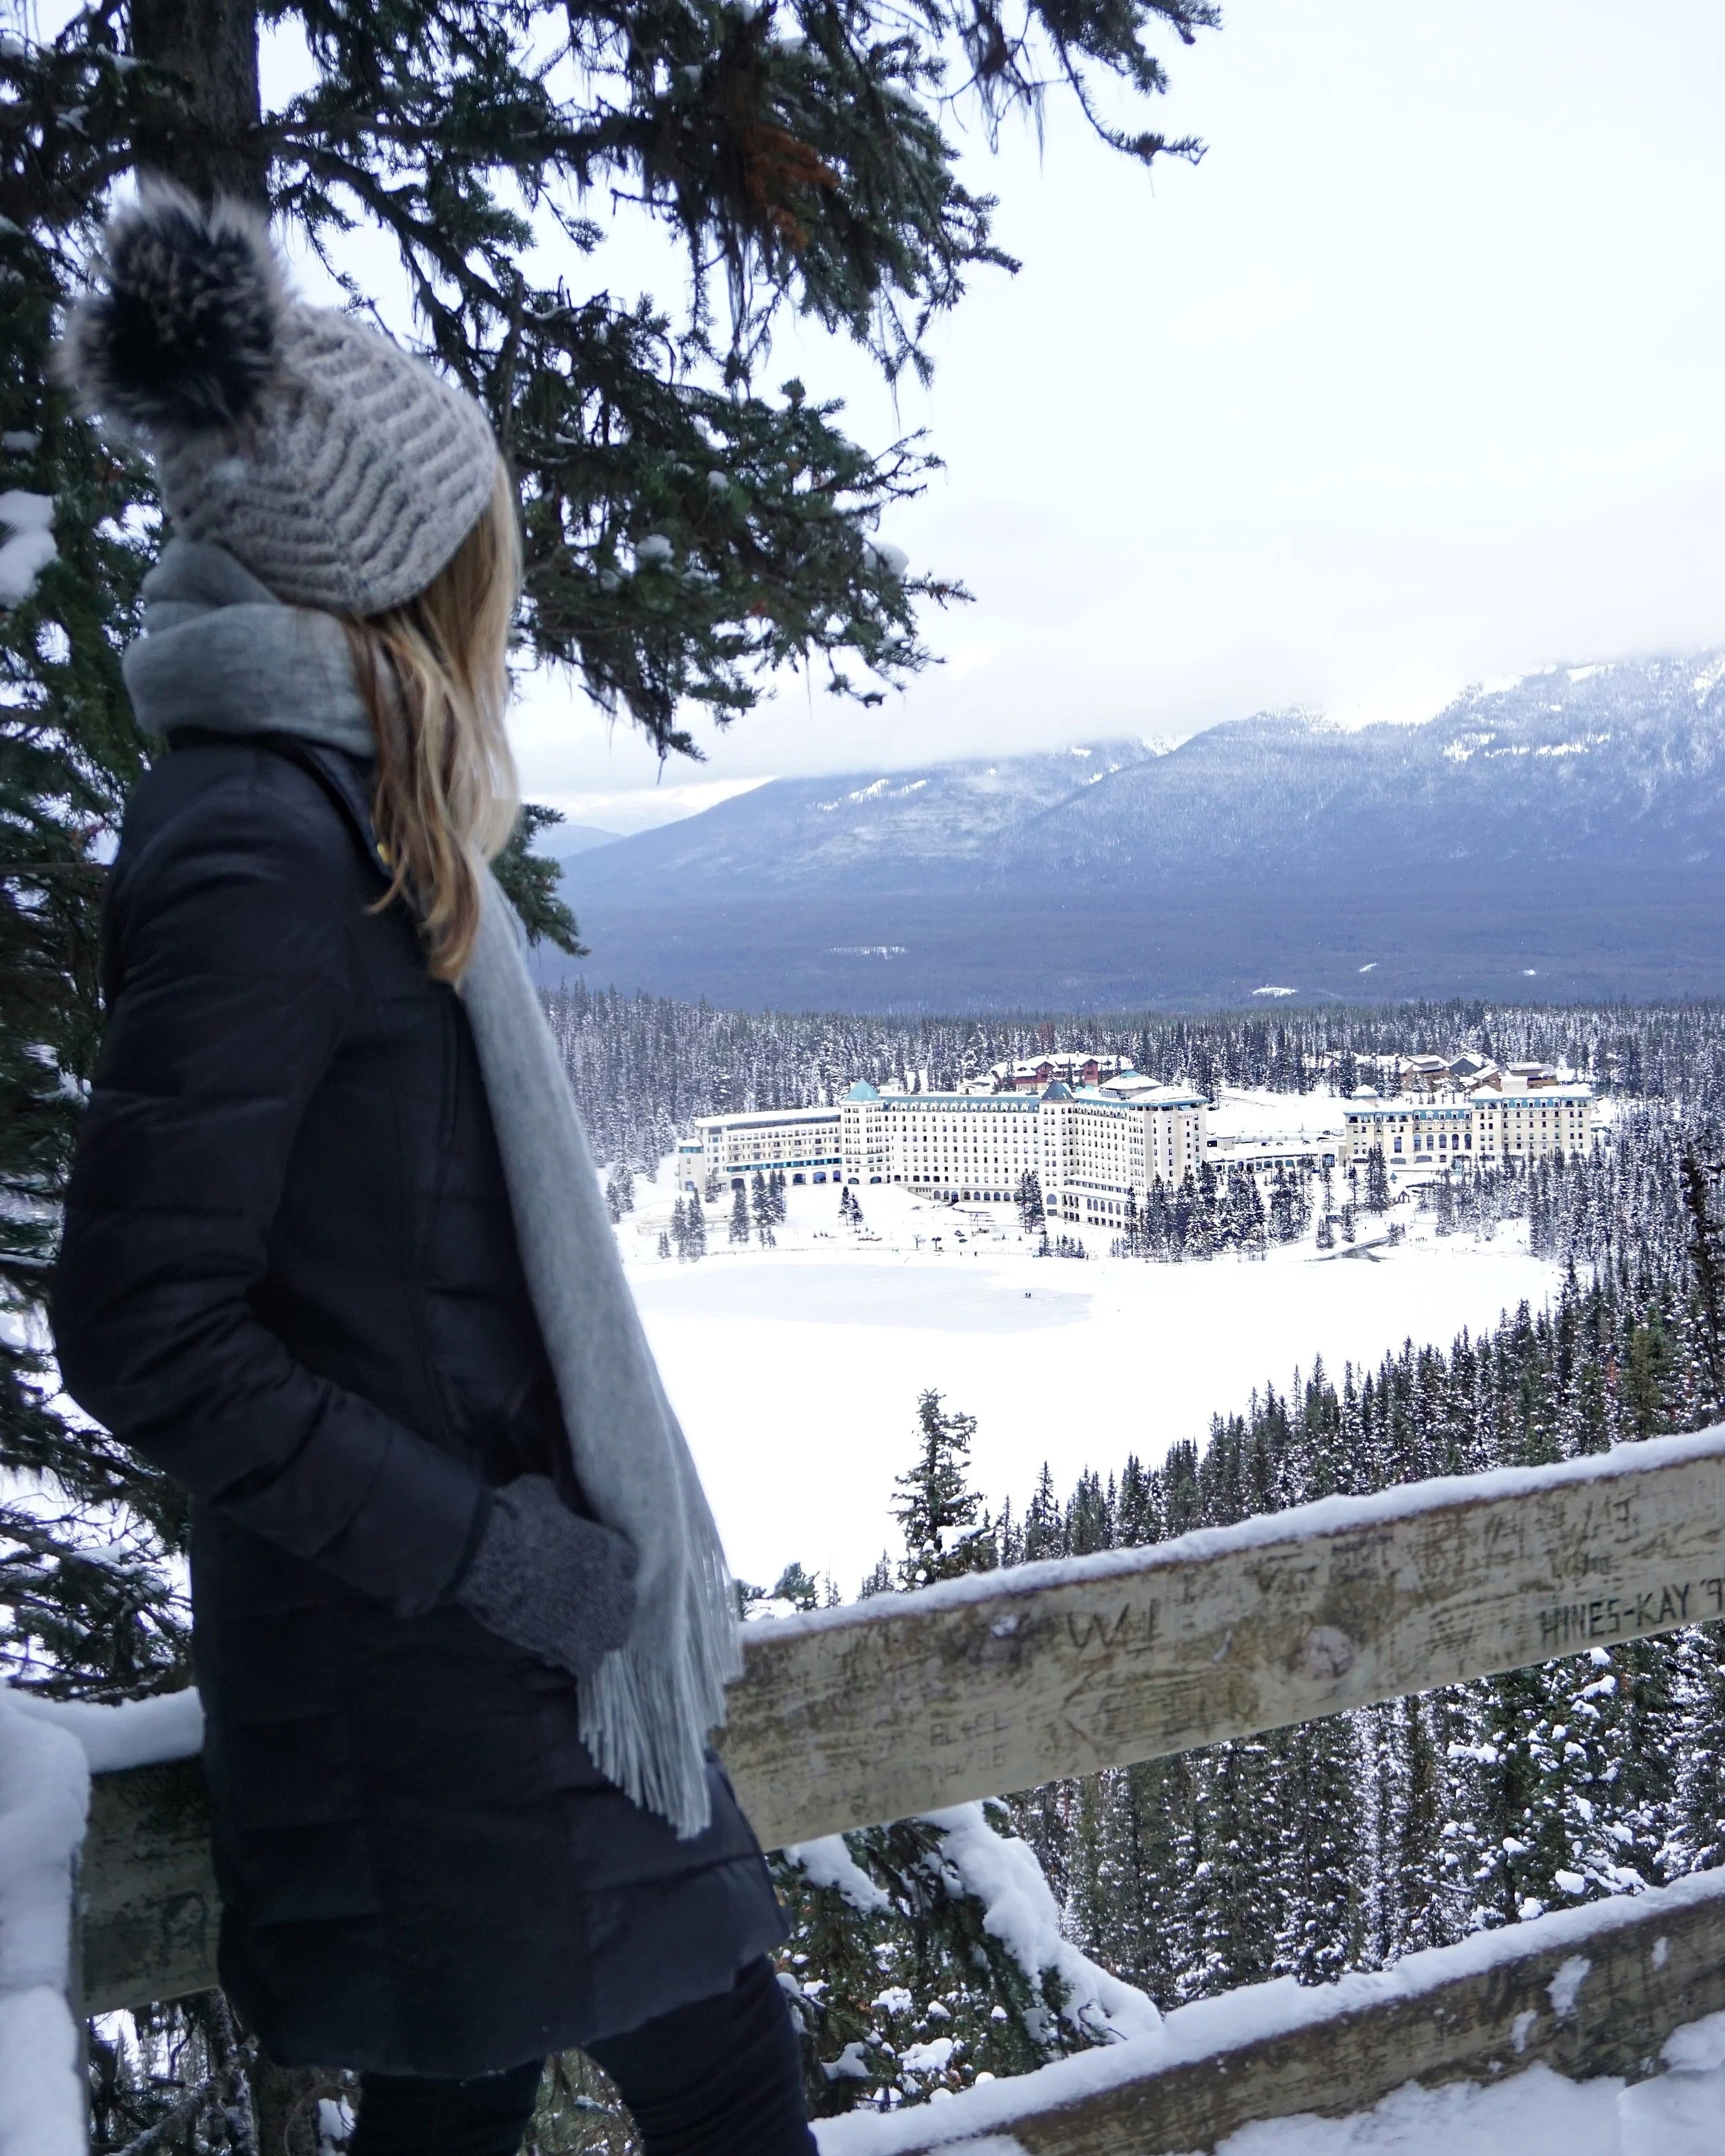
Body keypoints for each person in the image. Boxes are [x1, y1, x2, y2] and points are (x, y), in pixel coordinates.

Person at [52, 187, 818, 2156]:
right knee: (704, 2085)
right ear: (398, 578)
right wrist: (498, 1552)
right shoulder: (260, 842)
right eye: (486, 554)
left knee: (478, 2099)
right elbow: (146, 1322)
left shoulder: (333, 809)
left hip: (477, 1670)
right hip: (437, 1661)